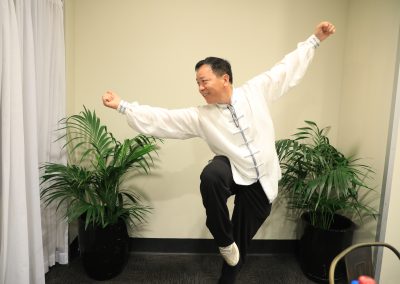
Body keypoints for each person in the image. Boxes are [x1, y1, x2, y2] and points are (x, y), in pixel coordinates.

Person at [102, 21, 336, 283]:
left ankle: (228, 267)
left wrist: (315, 39)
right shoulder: (200, 116)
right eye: (197, 83)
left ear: (225, 78)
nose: (200, 88)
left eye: (204, 81)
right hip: (233, 171)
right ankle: (222, 237)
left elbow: (285, 69)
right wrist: (123, 106)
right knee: (212, 174)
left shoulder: (255, 92)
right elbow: (163, 119)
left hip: (263, 181)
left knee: (239, 247)